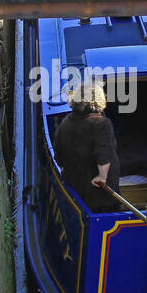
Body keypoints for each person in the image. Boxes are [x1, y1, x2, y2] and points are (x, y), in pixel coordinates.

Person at [53, 79, 121, 212]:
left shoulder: (65, 123)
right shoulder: (102, 124)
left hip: (76, 194)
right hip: (101, 198)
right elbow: (104, 153)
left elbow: (58, 157)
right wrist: (102, 176)